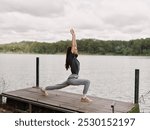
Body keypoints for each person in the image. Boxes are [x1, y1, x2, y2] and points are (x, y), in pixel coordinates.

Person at [40, 28, 92, 103]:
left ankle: (43, 89)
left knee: (58, 86)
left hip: (71, 78)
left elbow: (75, 45)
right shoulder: (71, 58)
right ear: (72, 51)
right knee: (87, 81)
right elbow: (73, 45)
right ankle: (83, 98)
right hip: (73, 79)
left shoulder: (74, 58)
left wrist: (75, 38)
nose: (76, 49)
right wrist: (73, 35)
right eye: (75, 49)